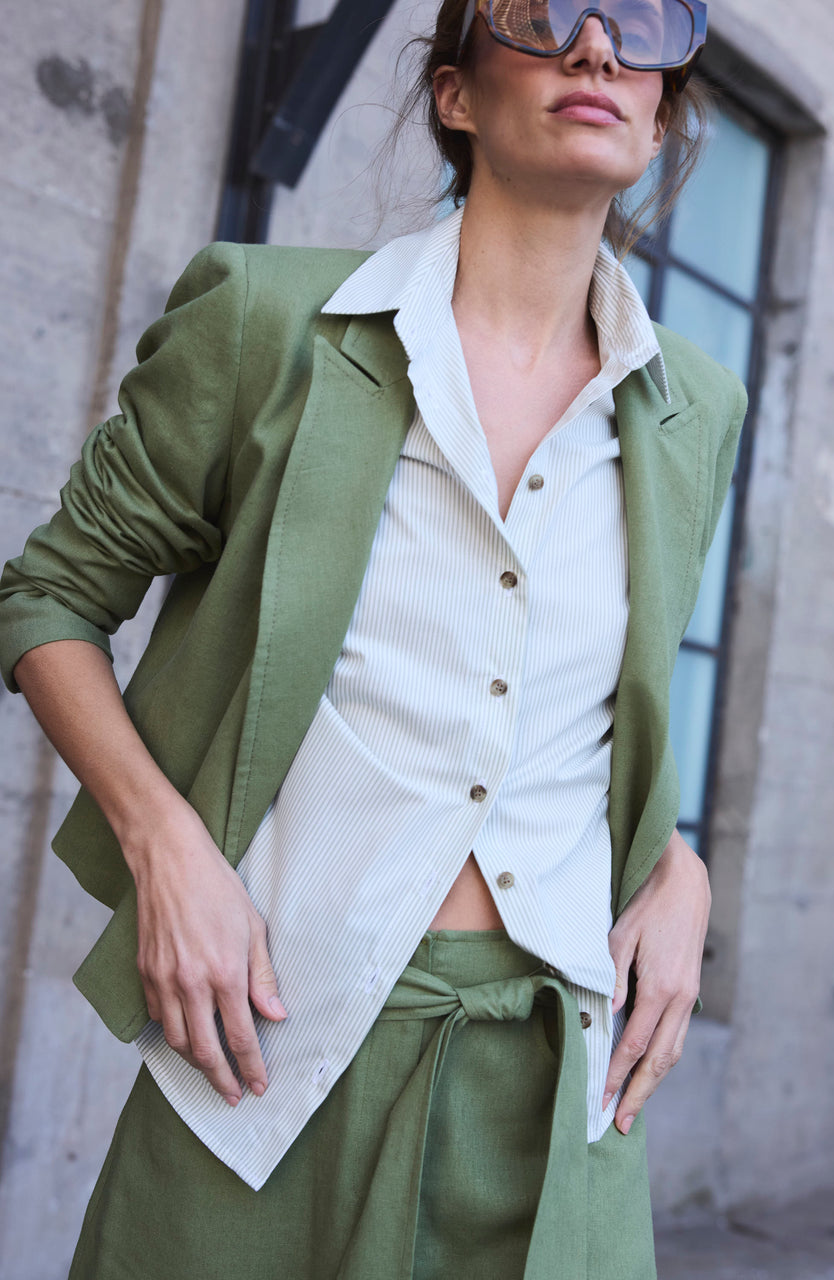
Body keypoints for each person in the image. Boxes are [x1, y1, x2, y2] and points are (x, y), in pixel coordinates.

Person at [0, 1, 746, 1276]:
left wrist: (679, 863)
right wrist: (165, 841)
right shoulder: (267, 325)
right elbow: (47, 597)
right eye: (540, 14)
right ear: (454, 96)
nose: (595, 49)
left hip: (556, 1086)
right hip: (264, 1064)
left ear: (663, 113)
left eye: (638, 27)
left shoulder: (692, 407)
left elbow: (585, 703)